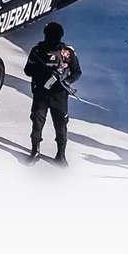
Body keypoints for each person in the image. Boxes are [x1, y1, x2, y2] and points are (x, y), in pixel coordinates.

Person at [24, 21, 82, 166]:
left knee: (60, 124)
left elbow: (76, 72)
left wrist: (66, 81)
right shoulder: (37, 51)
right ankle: (35, 152)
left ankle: (61, 155)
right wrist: (42, 71)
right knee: (37, 123)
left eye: (54, 36)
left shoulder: (67, 53)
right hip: (41, 92)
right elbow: (27, 70)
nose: (52, 39)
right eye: (50, 36)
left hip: (59, 94)